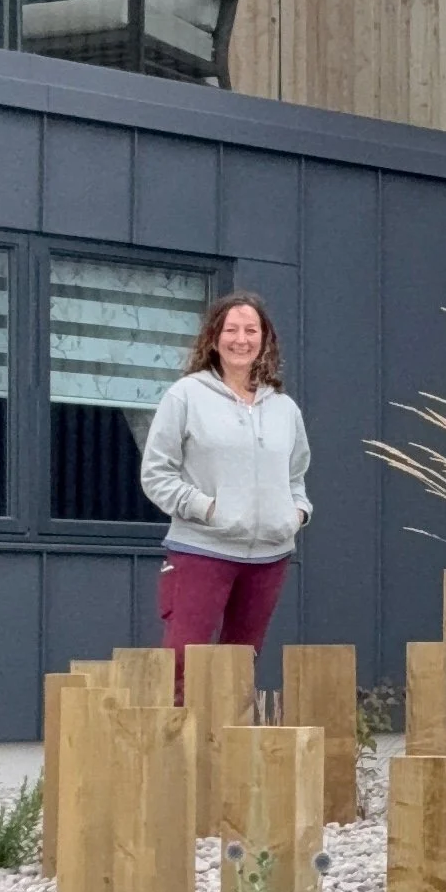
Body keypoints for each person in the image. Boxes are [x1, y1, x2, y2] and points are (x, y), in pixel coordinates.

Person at [139, 293, 311, 696]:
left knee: (239, 668)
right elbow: (156, 473)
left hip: (269, 557)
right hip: (202, 551)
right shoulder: (185, 396)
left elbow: (297, 477)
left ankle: (222, 754)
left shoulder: (285, 409)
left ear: (265, 339)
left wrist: (296, 513)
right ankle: (173, 754)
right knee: (182, 666)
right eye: (230, 329)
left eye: (251, 330)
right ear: (213, 338)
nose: (241, 339)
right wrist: (208, 509)